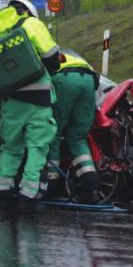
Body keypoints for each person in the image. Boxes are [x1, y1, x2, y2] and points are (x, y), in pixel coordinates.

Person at [0, 0, 60, 213]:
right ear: (27, 11)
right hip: (38, 96)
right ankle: (28, 195)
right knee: (37, 147)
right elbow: (51, 55)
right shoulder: (32, 24)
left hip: (11, 98)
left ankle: (0, 192)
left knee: (10, 146)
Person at [49, 50, 100, 203]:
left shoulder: (36, 55)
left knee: (54, 133)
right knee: (77, 137)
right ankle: (91, 187)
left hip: (65, 78)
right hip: (89, 78)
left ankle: (51, 185)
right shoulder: (66, 55)